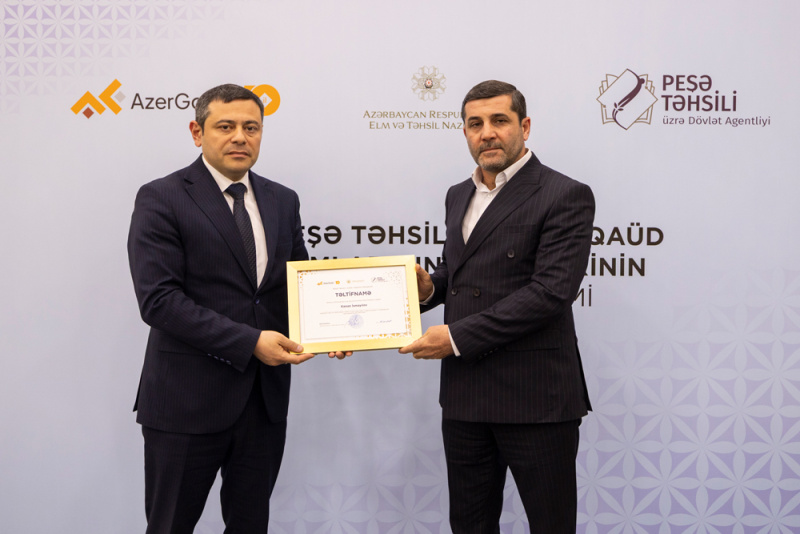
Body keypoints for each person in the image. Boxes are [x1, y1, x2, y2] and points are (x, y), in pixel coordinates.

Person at [128, 84, 342, 533]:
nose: (240, 137)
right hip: (185, 402)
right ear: (197, 132)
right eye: (225, 127)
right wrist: (250, 342)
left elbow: (295, 285)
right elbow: (159, 301)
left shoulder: (283, 199)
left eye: (251, 127)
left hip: (262, 404)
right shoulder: (162, 196)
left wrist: (332, 328)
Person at [399, 80, 594, 533]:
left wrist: (455, 337)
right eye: (475, 124)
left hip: (536, 399)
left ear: (524, 127)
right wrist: (429, 289)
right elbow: (459, 273)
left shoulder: (564, 193)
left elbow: (550, 293)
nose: (486, 132)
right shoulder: (457, 194)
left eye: (499, 121)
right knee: (469, 525)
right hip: (466, 397)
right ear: (465, 132)